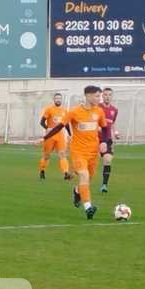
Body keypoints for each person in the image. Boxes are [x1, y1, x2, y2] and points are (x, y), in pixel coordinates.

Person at [44, 85, 107, 220]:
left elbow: (105, 128)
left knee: (88, 179)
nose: (99, 99)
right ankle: (88, 207)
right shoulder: (74, 112)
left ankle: (77, 191)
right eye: (97, 96)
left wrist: (104, 142)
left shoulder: (99, 111)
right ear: (88, 96)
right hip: (78, 151)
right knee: (84, 175)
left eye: (100, 96)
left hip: (93, 152)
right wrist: (45, 138)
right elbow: (59, 126)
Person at [39, 93, 71, 181]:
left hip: (60, 136)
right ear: (54, 99)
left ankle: (66, 173)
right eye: (56, 98)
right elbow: (42, 122)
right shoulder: (49, 109)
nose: (58, 100)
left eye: (59, 98)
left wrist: (70, 134)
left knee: (62, 154)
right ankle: (42, 170)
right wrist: (47, 128)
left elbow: (66, 124)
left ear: (61, 100)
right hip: (50, 136)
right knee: (46, 156)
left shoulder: (64, 111)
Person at [99, 87, 119, 193]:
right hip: (95, 138)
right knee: (89, 163)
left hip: (107, 139)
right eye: (105, 94)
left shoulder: (114, 110)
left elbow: (112, 123)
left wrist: (115, 133)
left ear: (112, 96)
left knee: (107, 160)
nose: (107, 97)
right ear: (102, 96)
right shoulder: (97, 108)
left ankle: (104, 185)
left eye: (109, 95)